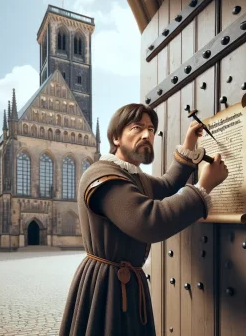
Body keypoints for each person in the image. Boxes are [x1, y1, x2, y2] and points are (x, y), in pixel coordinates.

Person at [59, 103, 229, 335]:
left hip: (124, 283)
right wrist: (204, 186)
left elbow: (168, 185)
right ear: (116, 137)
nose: (147, 134)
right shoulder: (104, 176)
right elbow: (150, 222)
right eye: (137, 127)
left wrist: (189, 145)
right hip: (106, 286)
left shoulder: (131, 175)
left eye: (151, 129)